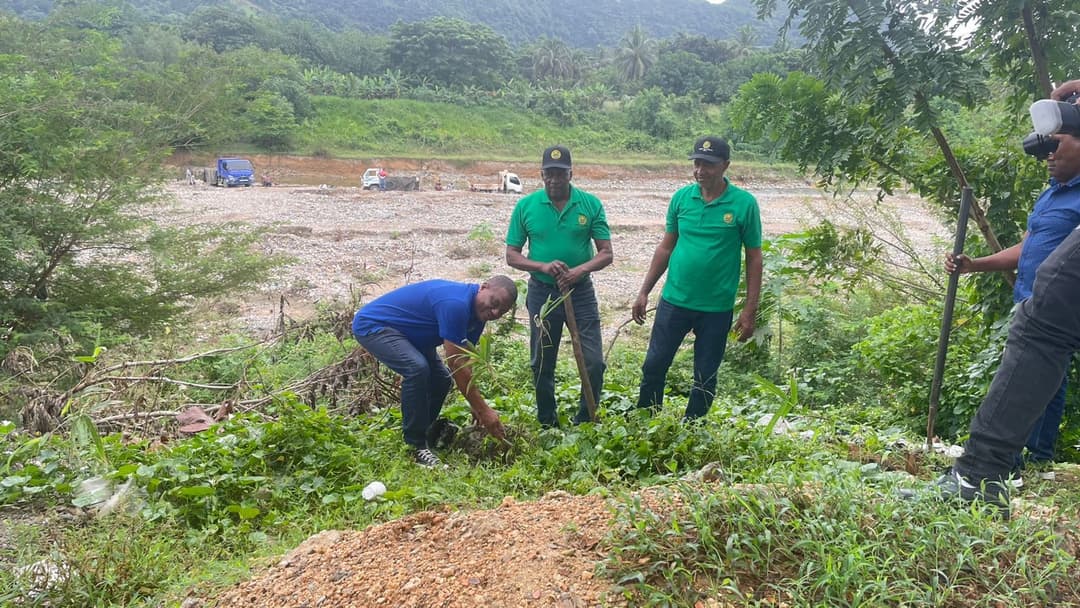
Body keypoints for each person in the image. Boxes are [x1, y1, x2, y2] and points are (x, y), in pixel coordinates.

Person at [926, 79, 1080, 518]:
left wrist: (1070, 90)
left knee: (1042, 334)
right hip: (1039, 301)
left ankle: (984, 475)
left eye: (1058, 143)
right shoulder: (1054, 191)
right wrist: (975, 264)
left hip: (1048, 307)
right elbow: (1030, 244)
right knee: (1040, 341)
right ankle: (988, 472)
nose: (1049, 154)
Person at [632, 136, 762, 420]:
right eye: (697, 163)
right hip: (674, 301)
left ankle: (693, 429)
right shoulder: (682, 198)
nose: (700, 170)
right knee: (654, 365)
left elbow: (754, 257)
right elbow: (666, 246)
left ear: (725, 165)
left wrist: (749, 310)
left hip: (716, 308)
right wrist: (644, 291)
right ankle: (646, 421)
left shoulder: (744, 204)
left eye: (709, 164)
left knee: (705, 376)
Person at [351, 276, 517, 467]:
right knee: (416, 368)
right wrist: (483, 409)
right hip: (375, 326)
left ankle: (425, 434)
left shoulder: (479, 315)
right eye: (494, 303)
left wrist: (474, 401)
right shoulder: (455, 304)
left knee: (441, 379)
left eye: (502, 311)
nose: (494, 312)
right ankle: (415, 446)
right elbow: (455, 363)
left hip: (412, 334)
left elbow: (465, 360)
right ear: (483, 287)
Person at [506, 145, 613, 427]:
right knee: (541, 361)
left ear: (570, 174)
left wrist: (579, 271)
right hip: (543, 293)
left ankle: (586, 420)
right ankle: (547, 422)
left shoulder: (590, 204)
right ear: (541, 174)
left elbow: (606, 253)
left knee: (593, 362)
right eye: (548, 173)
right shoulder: (526, 206)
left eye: (560, 173)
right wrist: (542, 266)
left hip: (581, 293)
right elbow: (512, 255)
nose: (554, 179)